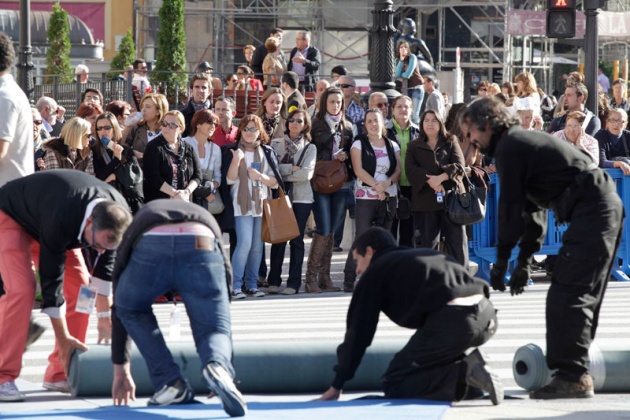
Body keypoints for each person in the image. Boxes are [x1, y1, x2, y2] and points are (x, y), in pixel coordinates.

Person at [463, 96, 624, 399]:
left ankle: (573, 377)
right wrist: (522, 262)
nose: (470, 139)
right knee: (578, 294)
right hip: (600, 206)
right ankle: (575, 372)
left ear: (486, 124)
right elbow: (533, 213)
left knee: (567, 295)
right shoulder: (520, 143)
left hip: (594, 209)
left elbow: (510, 209)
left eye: (470, 131)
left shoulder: (511, 146)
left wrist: (501, 263)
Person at [317, 227, 502, 404]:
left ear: (370, 252)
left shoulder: (376, 271)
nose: (357, 270)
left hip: (454, 321)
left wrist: (337, 385)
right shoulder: (423, 255)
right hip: (487, 316)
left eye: (357, 261)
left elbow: (358, 333)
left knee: (395, 380)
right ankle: (475, 380)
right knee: (425, 366)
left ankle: (465, 372)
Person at [0, 170, 132, 402]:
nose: (99, 250)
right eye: (96, 244)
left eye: (105, 246)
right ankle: (3, 376)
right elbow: (53, 285)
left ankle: (60, 371)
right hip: (11, 214)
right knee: (23, 289)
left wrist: (104, 317)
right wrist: (63, 337)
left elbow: (104, 269)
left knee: (83, 287)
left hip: (53, 220)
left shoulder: (117, 215)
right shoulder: (62, 215)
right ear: (90, 221)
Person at [110, 200, 247, 416]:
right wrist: (226, 361)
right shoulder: (202, 213)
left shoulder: (142, 216)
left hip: (151, 241)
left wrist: (120, 368)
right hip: (202, 239)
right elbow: (224, 285)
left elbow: (118, 297)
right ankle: (218, 368)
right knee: (213, 326)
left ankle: (169, 383)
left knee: (130, 307)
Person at [223, 115, 281, 299]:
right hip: (241, 206)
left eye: (253, 129)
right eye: (246, 129)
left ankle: (252, 284)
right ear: (241, 130)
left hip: (261, 205)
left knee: (257, 246)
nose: (249, 133)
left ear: (259, 132)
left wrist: (260, 177)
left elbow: (275, 182)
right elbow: (229, 180)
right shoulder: (233, 150)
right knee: (244, 243)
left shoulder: (267, 151)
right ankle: (236, 285)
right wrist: (236, 160)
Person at [343, 109, 401, 293]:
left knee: (384, 240)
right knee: (361, 238)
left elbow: (398, 170)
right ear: (364, 124)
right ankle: (349, 279)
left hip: (388, 197)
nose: (373, 124)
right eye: (369, 121)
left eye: (376, 120)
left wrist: (386, 185)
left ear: (382, 122)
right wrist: (377, 186)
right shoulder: (359, 144)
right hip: (365, 197)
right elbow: (358, 171)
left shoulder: (392, 144)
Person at [406, 110, 467, 266]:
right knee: (427, 244)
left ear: (440, 124)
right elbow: (411, 170)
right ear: (421, 124)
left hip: (452, 201)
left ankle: (462, 280)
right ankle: (428, 281)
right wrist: (431, 181)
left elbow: (460, 166)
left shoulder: (451, 141)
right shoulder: (413, 146)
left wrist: (441, 178)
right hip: (425, 202)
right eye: (426, 120)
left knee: (457, 243)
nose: (430, 124)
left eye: (434, 120)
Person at [307, 87, 353, 293]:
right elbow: (308, 152)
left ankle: (325, 277)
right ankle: (311, 278)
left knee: (332, 230)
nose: (336, 105)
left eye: (339, 102)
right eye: (332, 101)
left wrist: (345, 157)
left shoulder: (348, 127)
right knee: (323, 228)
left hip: (341, 182)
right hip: (321, 182)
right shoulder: (316, 125)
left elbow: (353, 155)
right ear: (324, 102)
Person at [267, 109, 316, 295]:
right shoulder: (276, 143)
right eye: (292, 120)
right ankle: (274, 280)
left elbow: (306, 174)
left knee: (296, 240)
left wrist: (284, 172)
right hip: (281, 196)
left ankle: (294, 283)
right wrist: (290, 168)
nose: (295, 123)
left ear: (305, 125)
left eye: (299, 121)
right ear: (287, 123)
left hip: (302, 198)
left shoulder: (310, 147)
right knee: (278, 239)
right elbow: (272, 169)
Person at [143, 110, 201, 203]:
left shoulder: (188, 148)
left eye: (172, 125)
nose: (167, 128)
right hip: (161, 203)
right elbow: (152, 177)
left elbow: (198, 175)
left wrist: (186, 192)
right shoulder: (153, 147)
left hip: (185, 201)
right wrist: (174, 194)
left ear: (181, 128)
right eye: (164, 123)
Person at [385, 95, 419, 247]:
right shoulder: (384, 131)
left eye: (406, 106)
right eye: (399, 106)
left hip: (411, 186)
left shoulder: (419, 131)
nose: (403, 110)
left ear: (411, 110)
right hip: (389, 185)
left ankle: (406, 265)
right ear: (392, 110)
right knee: (389, 229)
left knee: (409, 231)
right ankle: (390, 265)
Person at [183, 109, 222, 211]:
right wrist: (202, 192)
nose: (213, 126)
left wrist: (209, 189)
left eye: (215, 124)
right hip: (186, 197)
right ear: (198, 124)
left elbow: (218, 176)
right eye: (209, 122)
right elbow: (181, 174)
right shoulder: (184, 143)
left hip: (207, 202)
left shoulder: (216, 149)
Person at [123, 92, 169, 166]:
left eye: (148, 107)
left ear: (158, 111)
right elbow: (121, 145)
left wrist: (144, 156)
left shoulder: (168, 130)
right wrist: (128, 126)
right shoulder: (137, 128)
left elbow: (171, 156)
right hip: (139, 174)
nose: (143, 110)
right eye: (142, 106)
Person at [395, 40, 424, 125]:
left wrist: (402, 74)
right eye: (401, 47)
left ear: (408, 49)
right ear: (398, 49)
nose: (403, 49)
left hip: (417, 88)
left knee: (415, 115)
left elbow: (407, 74)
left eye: (405, 47)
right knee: (407, 114)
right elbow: (397, 74)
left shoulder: (412, 57)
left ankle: (418, 135)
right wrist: (401, 60)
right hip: (407, 89)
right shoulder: (398, 60)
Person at [594, 108, 630, 175]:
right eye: (612, 120)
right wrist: (619, 164)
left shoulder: (628, 136)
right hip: (607, 179)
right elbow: (600, 162)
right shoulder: (600, 136)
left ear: (626, 124)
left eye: (619, 121)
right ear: (607, 122)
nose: (615, 124)